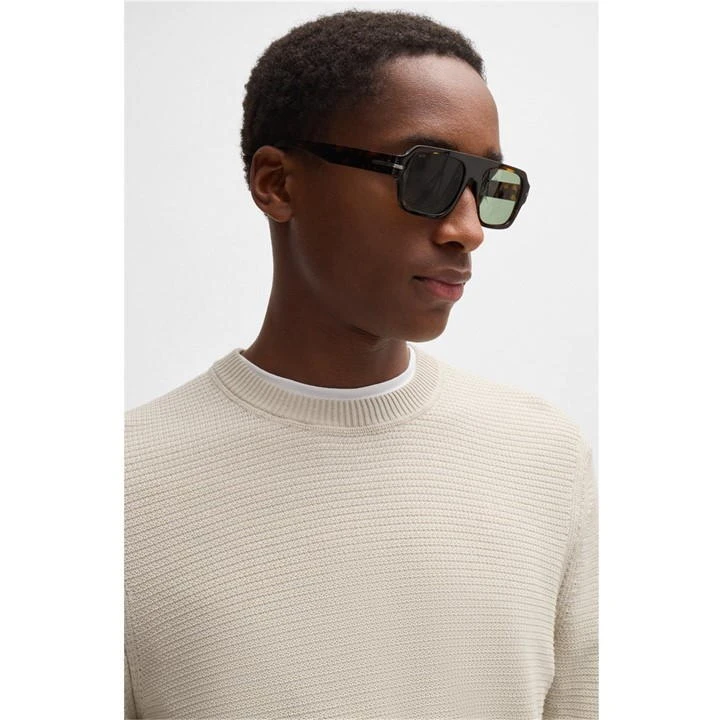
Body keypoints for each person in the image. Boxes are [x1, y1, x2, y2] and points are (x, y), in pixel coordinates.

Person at [125, 9, 597, 719]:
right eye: (428, 174)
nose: (468, 229)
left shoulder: (544, 457)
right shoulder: (122, 485)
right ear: (278, 184)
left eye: (490, 185)